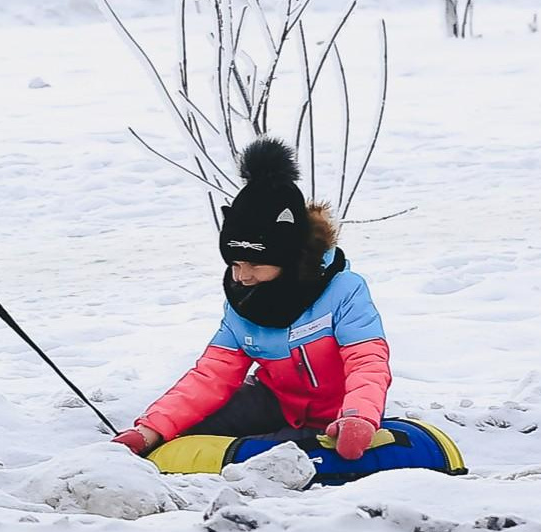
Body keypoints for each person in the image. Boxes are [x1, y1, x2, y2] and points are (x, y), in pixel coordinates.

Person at [112, 139, 392, 462]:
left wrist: (358, 416)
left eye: (254, 265)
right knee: (185, 433)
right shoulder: (244, 299)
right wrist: (151, 429)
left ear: (289, 257)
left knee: (284, 455)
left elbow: (367, 362)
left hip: (337, 411)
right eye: (235, 264)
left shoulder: (344, 291)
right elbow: (213, 373)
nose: (242, 277)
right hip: (274, 401)